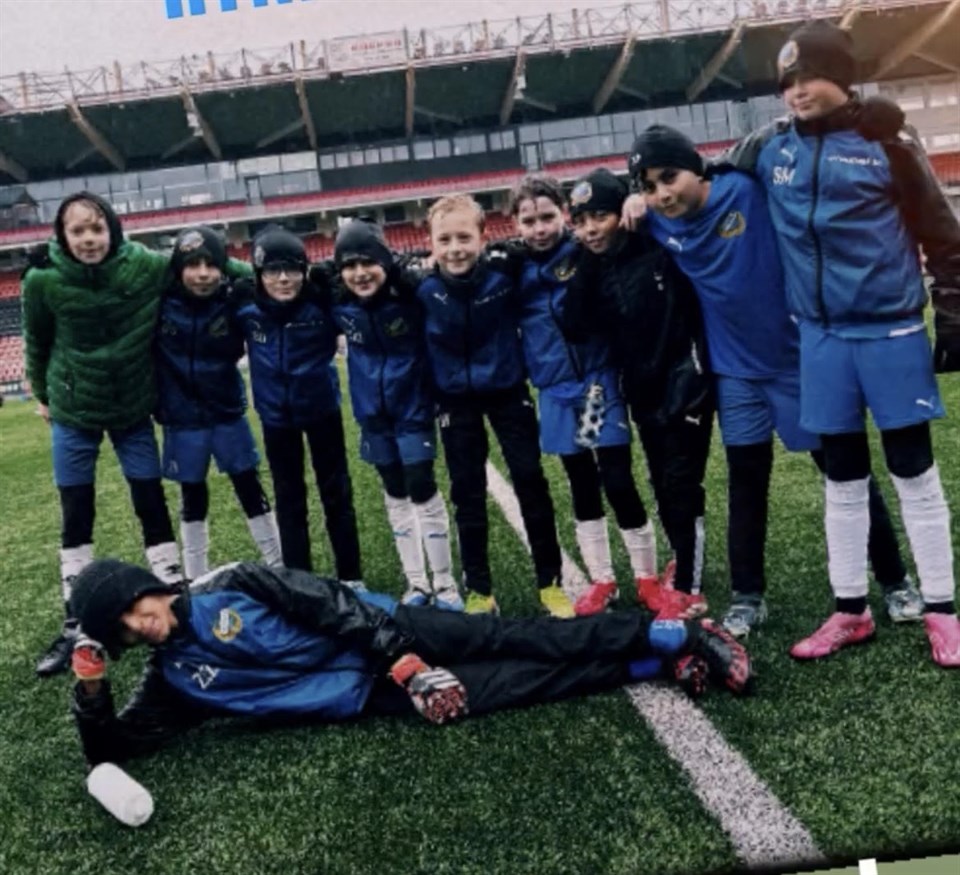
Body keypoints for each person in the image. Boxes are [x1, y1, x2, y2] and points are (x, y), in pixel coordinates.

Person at [720, 20, 960, 665]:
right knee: (843, 480)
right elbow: (708, 179)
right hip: (819, 340)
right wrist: (640, 203)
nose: (797, 91)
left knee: (913, 472)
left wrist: (953, 316)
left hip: (890, 333)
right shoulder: (770, 147)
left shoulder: (889, 144)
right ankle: (850, 610)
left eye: (811, 77)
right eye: (787, 82)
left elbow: (944, 236)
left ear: (844, 79)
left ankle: (942, 610)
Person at [625, 125, 916, 638]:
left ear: (695, 168)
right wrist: (631, 200)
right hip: (736, 373)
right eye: (649, 186)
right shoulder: (656, 224)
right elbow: (606, 217)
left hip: (798, 364)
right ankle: (747, 597)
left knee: (846, 475)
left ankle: (896, 581)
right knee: (746, 482)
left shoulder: (746, 189)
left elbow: (773, 143)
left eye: (669, 177)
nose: (662, 194)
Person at [67, 557, 754, 765]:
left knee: (514, 638)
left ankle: (674, 636)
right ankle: (648, 665)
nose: (138, 623)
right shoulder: (174, 681)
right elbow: (114, 748)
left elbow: (333, 605)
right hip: (366, 692)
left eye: (132, 605)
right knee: (516, 685)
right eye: (122, 629)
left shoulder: (232, 584)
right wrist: (92, 689)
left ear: (145, 586)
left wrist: (404, 660)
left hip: (388, 631)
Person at [22, 192, 187, 677]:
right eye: (78, 231)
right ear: (62, 235)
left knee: (151, 502)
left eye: (97, 228)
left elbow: (199, 265)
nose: (89, 239)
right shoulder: (42, 280)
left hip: (132, 408)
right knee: (77, 513)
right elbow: (37, 342)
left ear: (112, 229)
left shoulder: (143, 266)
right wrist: (44, 395)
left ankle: (174, 596)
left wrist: (265, 272)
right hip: (74, 411)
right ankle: (75, 622)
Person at [562, 169, 714, 620]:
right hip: (641, 388)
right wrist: (586, 259)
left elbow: (692, 201)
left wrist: (644, 203)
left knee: (681, 482)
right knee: (661, 481)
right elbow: (574, 325)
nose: (591, 229)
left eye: (600, 216)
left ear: (621, 212)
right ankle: (682, 562)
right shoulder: (593, 264)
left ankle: (689, 585)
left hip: (685, 378)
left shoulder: (655, 241)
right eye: (581, 221)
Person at [508, 175, 659, 617]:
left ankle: (647, 578)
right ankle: (602, 579)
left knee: (616, 479)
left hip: (594, 383)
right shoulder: (513, 268)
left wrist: (637, 198)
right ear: (515, 223)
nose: (539, 229)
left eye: (547, 217)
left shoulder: (584, 252)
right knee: (581, 484)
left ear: (564, 215)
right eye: (529, 221)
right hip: (554, 392)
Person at [415, 194, 566, 616]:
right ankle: (480, 590)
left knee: (530, 481)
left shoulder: (505, 268)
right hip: (454, 400)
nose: (455, 248)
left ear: (483, 237)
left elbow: (555, 247)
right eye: (444, 240)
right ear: (430, 243)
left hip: (506, 390)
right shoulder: (419, 286)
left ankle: (550, 583)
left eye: (464, 237)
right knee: (467, 493)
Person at [320, 219, 462, 610]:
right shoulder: (339, 303)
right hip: (372, 414)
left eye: (368, 262)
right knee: (395, 490)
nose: (360, 273)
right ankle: (416, 583)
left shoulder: (409, 295)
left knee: (421, 484)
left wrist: (409, 273)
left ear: (384, 261)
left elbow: (442, 288)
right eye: (350, 265)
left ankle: (445, 583)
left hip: (413, 407)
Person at [235, 225, 363, 586]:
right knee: (289, 500)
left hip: (322, 410)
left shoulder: (321, 301)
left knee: (336, 495)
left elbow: (359, 296)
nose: (283, 279)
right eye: (273, 270)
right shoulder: (245, 307)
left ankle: (351, 578)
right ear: (258, 273)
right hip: (275, 418)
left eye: (292, 269)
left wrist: (331, 273)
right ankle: (299, 582)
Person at [156, 226, 282, 579]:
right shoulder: (160, 303)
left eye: (211, 265)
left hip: (227, 412)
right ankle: (196, 576)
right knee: (192, 497)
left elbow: (261, 283)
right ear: (178, 268)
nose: (203, 274)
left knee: (249, 487)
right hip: (181, 418)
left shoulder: (233, 301)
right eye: (192, 265)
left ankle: (279, 565)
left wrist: (235, 269)